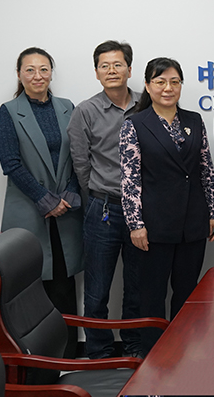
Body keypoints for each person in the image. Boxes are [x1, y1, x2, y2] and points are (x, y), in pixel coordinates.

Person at [119, 57, 214, 355]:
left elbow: (206, 169)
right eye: (160, 82)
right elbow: (129, 179)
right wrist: (136, 224)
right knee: (151, 296)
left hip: (193, 221)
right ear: (148, 86)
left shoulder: (194, 120)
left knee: (187, 293)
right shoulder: (134, 125)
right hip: (154, 225)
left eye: (174, 82)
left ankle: (183, 352)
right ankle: (153, 357)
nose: (168, 88)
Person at [0, 47, 83, 358]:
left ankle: (69, 357)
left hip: (66, 212)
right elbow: (11, 163)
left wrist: (69, 195)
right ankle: (40, 360)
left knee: (64, 284)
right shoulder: (9, 111)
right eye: (30, 70)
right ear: (19, 74)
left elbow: (80, 155)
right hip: (30, 212)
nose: (38, 76)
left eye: (44, 69)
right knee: (32, 288)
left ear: (51, 73)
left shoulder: (67, 107)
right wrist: (46, 200)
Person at [67, 40, 142, 359]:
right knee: (97, 290)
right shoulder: (85, 111)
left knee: (137, 287)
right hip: (103, 209)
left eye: (118, 64)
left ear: (129, 69)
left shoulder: (147, 104)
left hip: (142, 212)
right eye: (104, 66)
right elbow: (80, 163)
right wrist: (99, 195)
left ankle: (134, 348)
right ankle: (98, 353)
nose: (112, 70)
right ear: (96, 72)